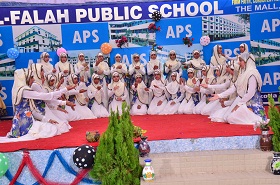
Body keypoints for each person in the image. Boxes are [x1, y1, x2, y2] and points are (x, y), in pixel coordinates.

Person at [0, 69, 73, 142]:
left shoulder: (19, 90)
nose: (33, 79)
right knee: (53, 129)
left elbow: (32, 110)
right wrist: (64, 90)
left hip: (24, 119)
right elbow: (44, 96)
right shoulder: (24, 91)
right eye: (31, 77)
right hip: (25, 121)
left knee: (54, 128)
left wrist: (48, 120)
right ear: (25, 78)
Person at [209, 52, 265, 124]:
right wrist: (219, 95)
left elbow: (250, 93)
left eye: (241, 61)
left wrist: (239, 104)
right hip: (241, 99)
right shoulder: (243, 73)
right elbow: (234, 87)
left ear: (247, 61)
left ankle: (257, 118)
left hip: (251, 102)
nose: (239, 63)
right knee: (226, 117)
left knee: (230, 119)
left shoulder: (252, 74)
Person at [29, 63, 72, 134]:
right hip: (40, 111)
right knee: (58, 127)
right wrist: (63, 100)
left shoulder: (39, 84)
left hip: (46, 108)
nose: (43, 72)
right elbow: (47, 97)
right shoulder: (35, 85)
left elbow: (49, 99)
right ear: (36, 71)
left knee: (63, 125)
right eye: (41, 70)